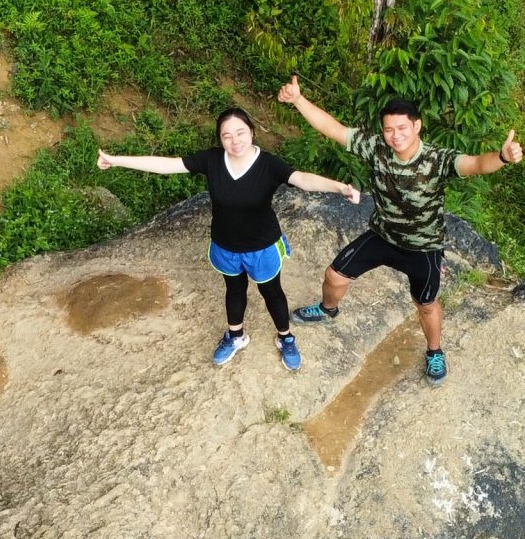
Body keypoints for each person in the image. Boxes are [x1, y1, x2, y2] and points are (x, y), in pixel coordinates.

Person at [274, 77, 522, 383]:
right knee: (334, 276)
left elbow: (475, 164)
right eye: (389, 129)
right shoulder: (376, 147)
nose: (395, 135)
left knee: (426, 305)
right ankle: (328, 310)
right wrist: (298, 100)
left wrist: (501, 157)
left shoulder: (436, 160)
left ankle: (434, 351)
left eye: (402, 128)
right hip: (383, 236)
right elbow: (333, 129)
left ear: (417, 126)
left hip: (423, 247)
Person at [97, 108, 361, 370]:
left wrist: (339, 188)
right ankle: (236, 336)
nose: (235, 141)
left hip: (262, 246)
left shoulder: (268, 164)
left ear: (252, 132)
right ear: (220, 139)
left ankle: (286, 337)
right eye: (227, 136)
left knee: (272, 292)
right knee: (234, 290)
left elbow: (302, 179)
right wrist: (117, 160)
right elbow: (168, 165)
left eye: (240, 133)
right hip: (226, 245)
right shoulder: (212, 160)